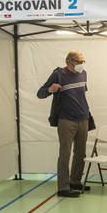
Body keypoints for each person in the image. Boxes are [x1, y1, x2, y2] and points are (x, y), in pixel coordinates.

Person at [37, 50, 91, 198]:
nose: (81, 65)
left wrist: (86, 114)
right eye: (78, 61)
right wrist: (50, 89)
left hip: (83, 118)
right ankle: (63, 187)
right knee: (65, 154)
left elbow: (81, 96)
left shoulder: (83, 73)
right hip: (66, 119)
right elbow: (39, 93)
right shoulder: (58, 75)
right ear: (68, 61)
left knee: (81, 153)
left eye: (82, 61)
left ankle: (75, 181)